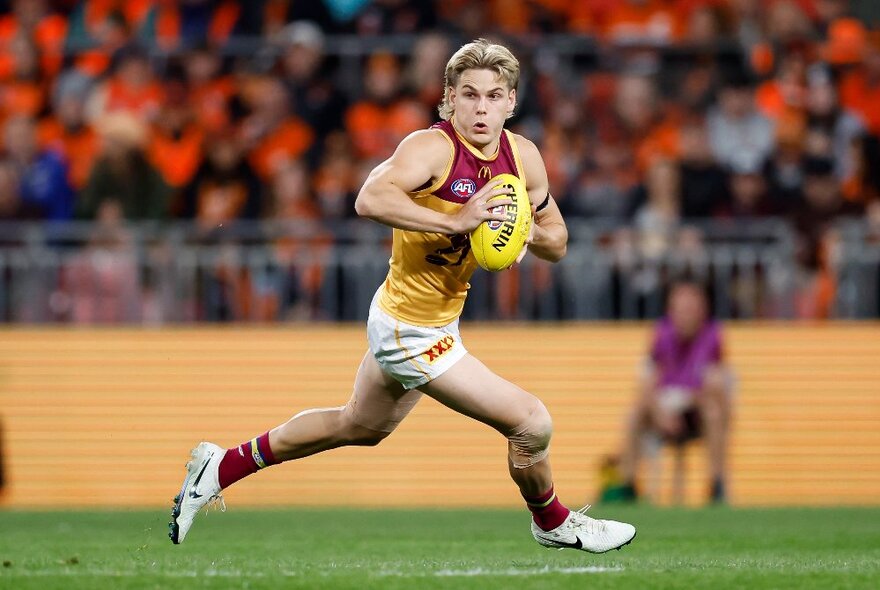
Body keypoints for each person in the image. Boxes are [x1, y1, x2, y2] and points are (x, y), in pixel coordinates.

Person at [169, 38, 636, 553]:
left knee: (360, 425)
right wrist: (454, 220)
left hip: (429, 317)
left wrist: (523, 230)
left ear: (511, 102)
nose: (481, 108)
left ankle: (220, 465)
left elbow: (558, 242)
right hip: (409, 329)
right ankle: (552, 521)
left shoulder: (523, 157)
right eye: (469, 95)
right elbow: (369, 198)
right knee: (531, 422)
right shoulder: (431, 148)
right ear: (449, 99)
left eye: (494, 96)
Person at [618, 278, 734, 503]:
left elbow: (715, 384)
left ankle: (716, 483)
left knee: (714, 411)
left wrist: (691, 402)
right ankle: (628, 484)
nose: (685, 315)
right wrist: (661, 413)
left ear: (703, 311)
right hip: (664, 406)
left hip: (695, 410)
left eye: (691, 309)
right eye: (680, 309)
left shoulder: (713, 335)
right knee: (635, 413)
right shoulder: (661, 333)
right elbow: (649, 380)